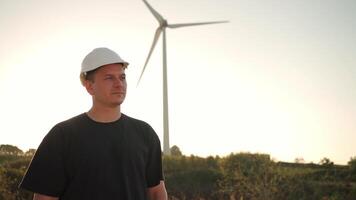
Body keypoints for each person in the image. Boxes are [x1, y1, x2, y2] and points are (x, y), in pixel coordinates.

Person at [20, 47, 168, 200]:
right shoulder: (62, 136)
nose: (119, 84)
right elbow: (44, 198)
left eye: (122, 77)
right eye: (109, 78)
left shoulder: (145, 133)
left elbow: (156, 192)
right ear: (89, 86)